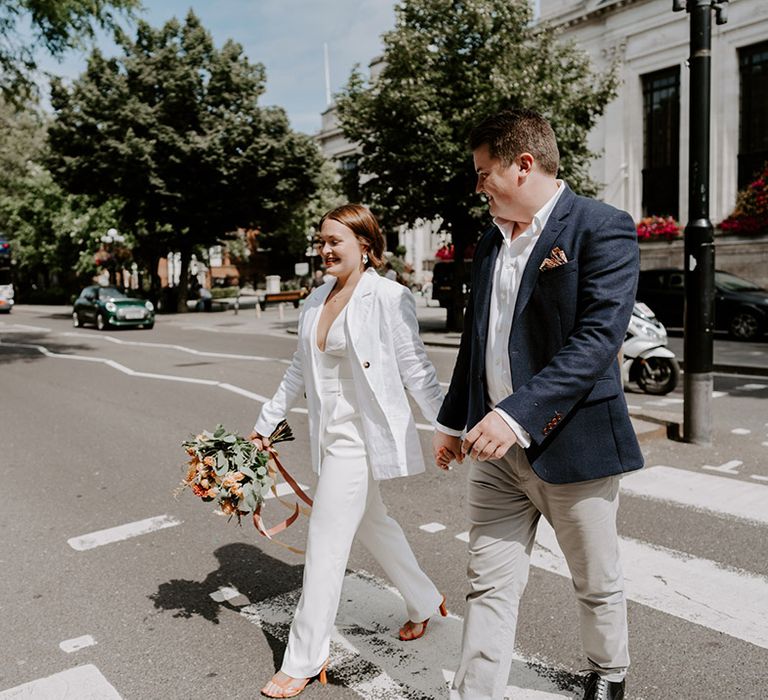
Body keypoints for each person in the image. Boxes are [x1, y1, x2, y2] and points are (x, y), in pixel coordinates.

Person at [433, 108, 643, 700]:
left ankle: (609, 672)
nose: (477, 186)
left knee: (595, 581)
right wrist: (455, 419)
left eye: (483, 172)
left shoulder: (601, 227)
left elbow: (598, 341)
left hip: (571, 443)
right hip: (494, 451)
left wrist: (516, 415)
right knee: (488, 584)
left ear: (524, 165)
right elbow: (479, 339)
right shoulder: (489, 243)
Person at [251, 203, 448, 699]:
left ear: (365, 244)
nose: (325, 249)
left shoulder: (388, 297)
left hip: (360, 440)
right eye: (321, 240)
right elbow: (298, 370)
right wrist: (264, 425)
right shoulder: (316, 299)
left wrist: (452, 425)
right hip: (329, 437)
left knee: (324, 544)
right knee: (374, 523)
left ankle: (305, 657)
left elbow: (416, 369)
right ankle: (425, 601)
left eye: (335, 240)